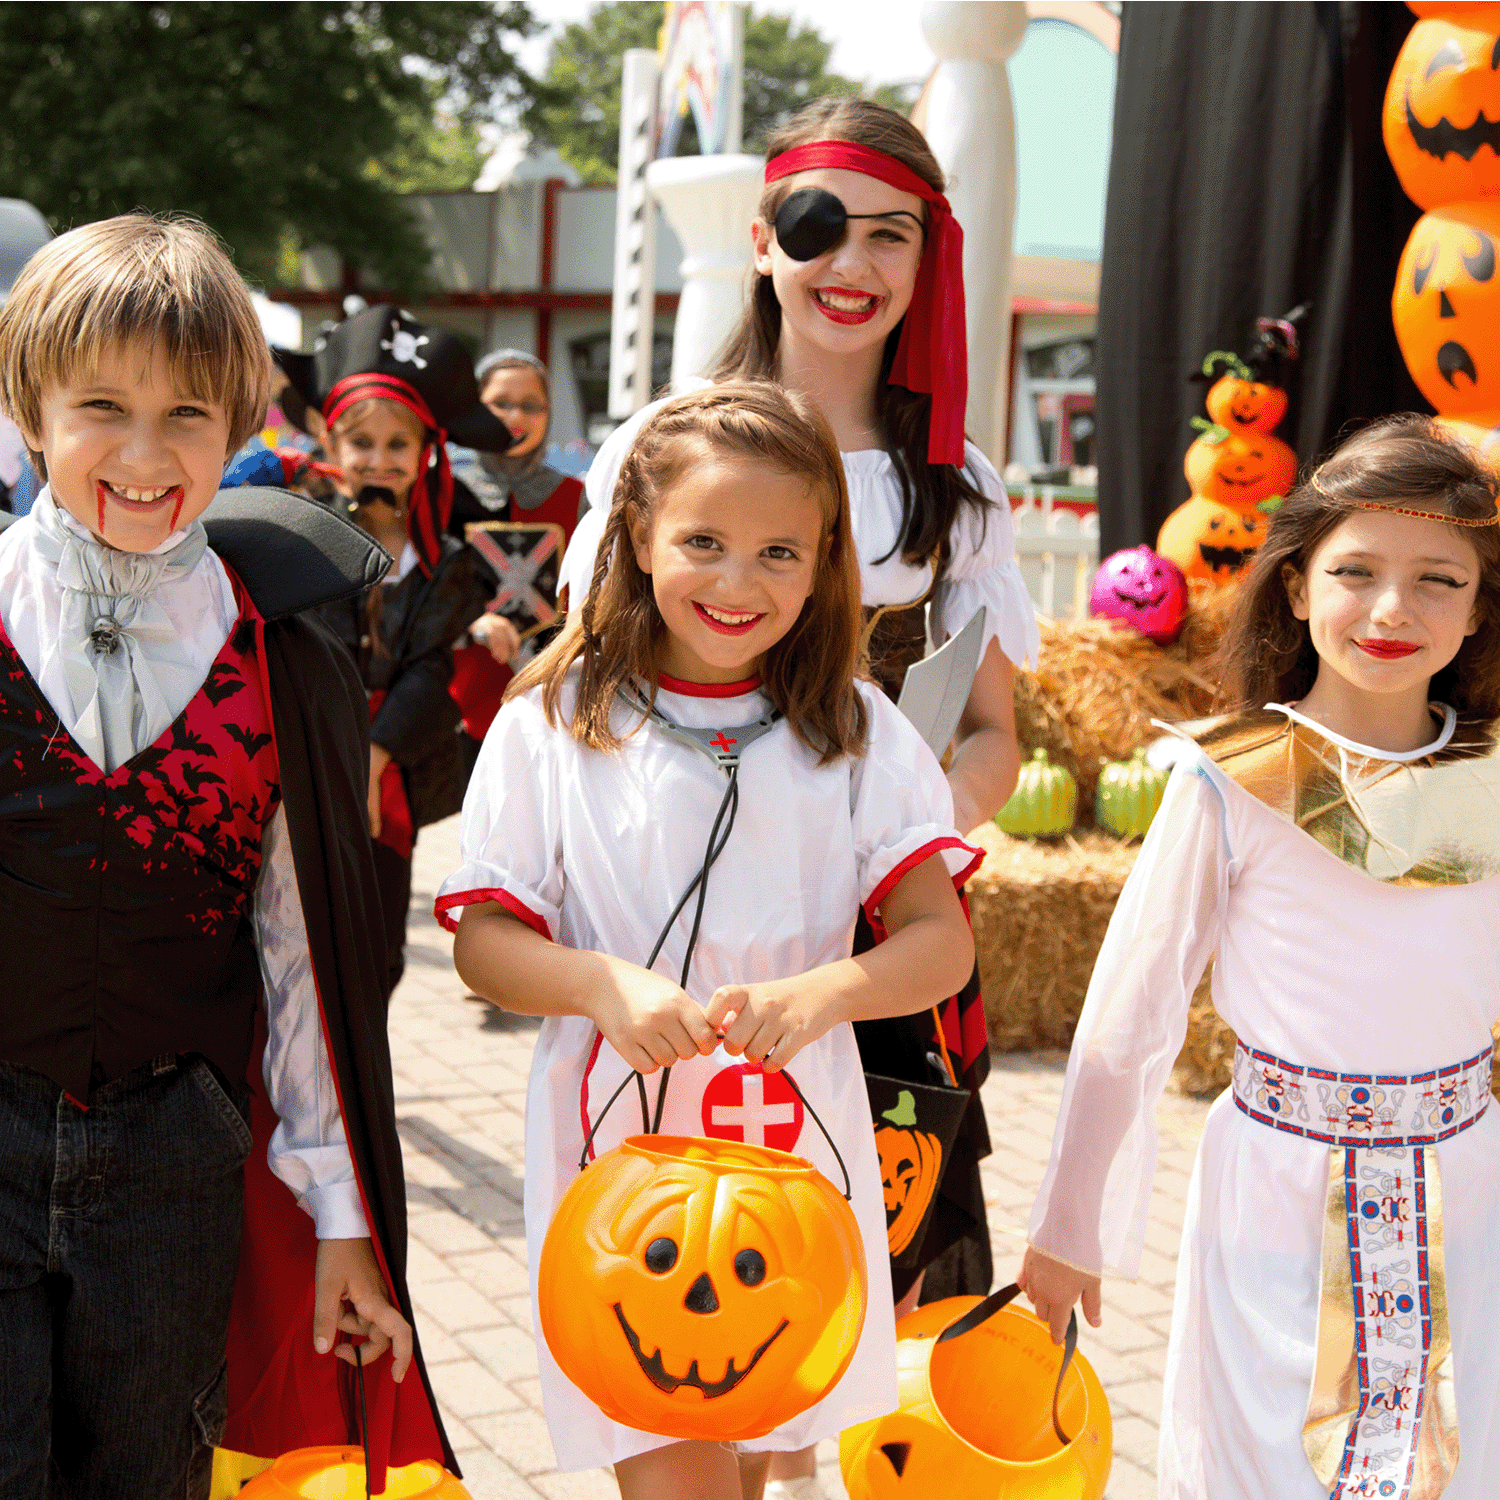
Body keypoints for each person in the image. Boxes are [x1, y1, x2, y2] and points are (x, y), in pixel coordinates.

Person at [437, 382, 981, 1500]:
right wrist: (598, 986)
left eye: (781, 551)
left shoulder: (856, 727)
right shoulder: (557, 719)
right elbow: (484, 943)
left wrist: (832, 988)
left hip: (799, 1155)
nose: (740, 583)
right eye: (703, 542)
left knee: (760, 1458)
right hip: (618, 1162)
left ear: (828, 554)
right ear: (637, 535)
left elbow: (941, 941)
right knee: (670, 1444)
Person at [0, 216, 454, 1492]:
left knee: (149, 1474)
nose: (146, 456)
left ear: (244, 421)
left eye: (189, 415)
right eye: (101, 406)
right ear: (30, 407)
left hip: (174, 1164)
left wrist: (343, 1218)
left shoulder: (279, 646)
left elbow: (304, 952)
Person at [1019, 415, 1500, 1500]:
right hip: (1279, 1194)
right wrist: (1069, 1227)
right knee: (1265, 1464)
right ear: (1292, 585)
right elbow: (1129, 1016)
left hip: (1464, 1191)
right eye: (1356, 570)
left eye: (1438, 579)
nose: (1392, 609)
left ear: (1478, 608)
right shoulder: (1235, 779)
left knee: (1460, 1457)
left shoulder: (1493, 778)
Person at [274, 306, 508, 1002]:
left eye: (396, 445)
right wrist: (350, 753)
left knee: (377, 950)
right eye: (362, 443)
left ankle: (364, 1098)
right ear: (332, 443)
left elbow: (436, 670)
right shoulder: (303, 536)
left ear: (426, 449)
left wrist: (378, 757)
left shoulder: (455, 561)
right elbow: (315, 652)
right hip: (316, 754)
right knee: (299, 940)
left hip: (399, 769)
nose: (379, 461)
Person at [448, 348, 586, 775]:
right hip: (463, 694)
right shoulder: (446, 494)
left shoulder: (578, 497)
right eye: (501, 404)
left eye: (531, 405)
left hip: (554, 694)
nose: (516, 417)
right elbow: (430, 591)